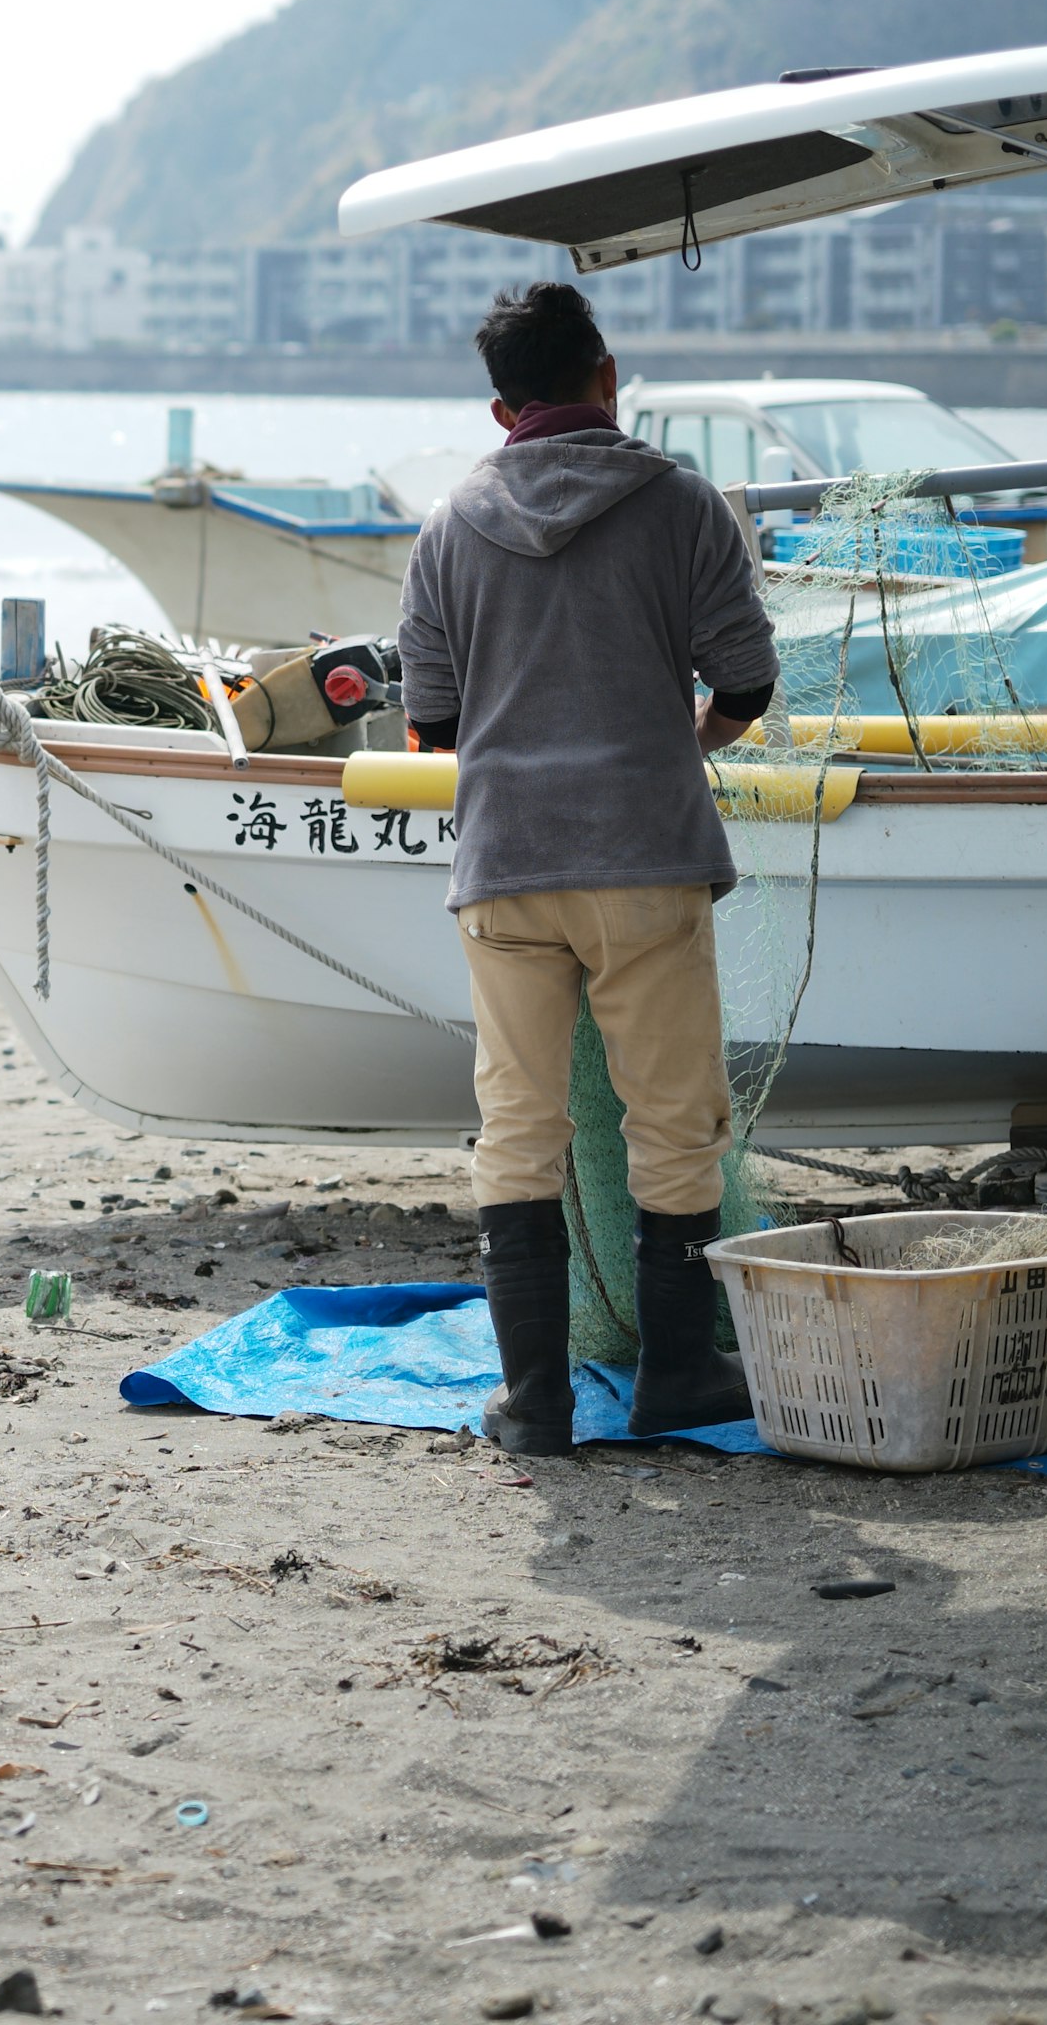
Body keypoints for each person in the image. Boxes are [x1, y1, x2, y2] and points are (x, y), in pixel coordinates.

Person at [395, 281, 781, 1454]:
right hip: (646, 858)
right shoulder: (683, 506)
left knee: (519, 1121)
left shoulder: (448, 524)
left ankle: (537, 1398)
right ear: (608, 376)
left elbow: (431, 724)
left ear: (503, 406)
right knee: (673, 1121)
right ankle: (675, 1375)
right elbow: (750, 683)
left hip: (506, 865)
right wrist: (686, 744)